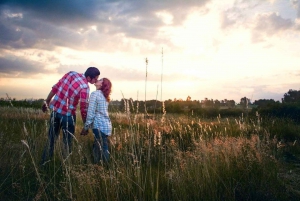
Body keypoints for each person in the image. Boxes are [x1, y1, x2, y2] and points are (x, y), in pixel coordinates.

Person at [41, 67, 100, 165]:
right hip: (68, 117)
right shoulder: (85, 87)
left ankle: (44, 163)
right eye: (95, 79)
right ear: (89, 77)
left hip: (55, 112)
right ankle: (65, 167)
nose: (96, 81)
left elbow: (56, 87)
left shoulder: (71, 74)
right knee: (67, 143)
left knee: (51, 140)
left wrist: (47, 101)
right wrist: (86, 126)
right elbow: (83, 108)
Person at [81, 78, 112, 164]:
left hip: (99, 126)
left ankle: (98, 167)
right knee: (103, 146)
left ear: (102, 84)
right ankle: (105, 167)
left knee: (98, 148)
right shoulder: (105, 96)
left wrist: (86, 127)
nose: (97, 80)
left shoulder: (95, 94)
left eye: (100, 80)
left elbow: (90, 113)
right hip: (107, 126)